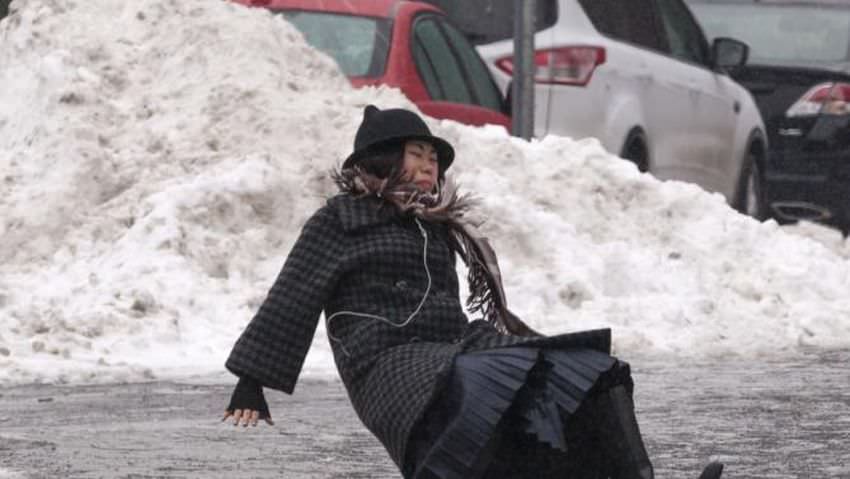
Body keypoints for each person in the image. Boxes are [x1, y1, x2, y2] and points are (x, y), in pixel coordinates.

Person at [222, 105, 724, 479]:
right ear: (383, 160)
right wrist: (252, 380)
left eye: (433, 159)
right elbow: (294, 294)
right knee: (487, 380)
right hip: (386, 364)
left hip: (451, 353)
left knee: (579, 369)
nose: (429, 166)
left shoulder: (436, 226)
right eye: (416, 154)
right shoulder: (340, 220)